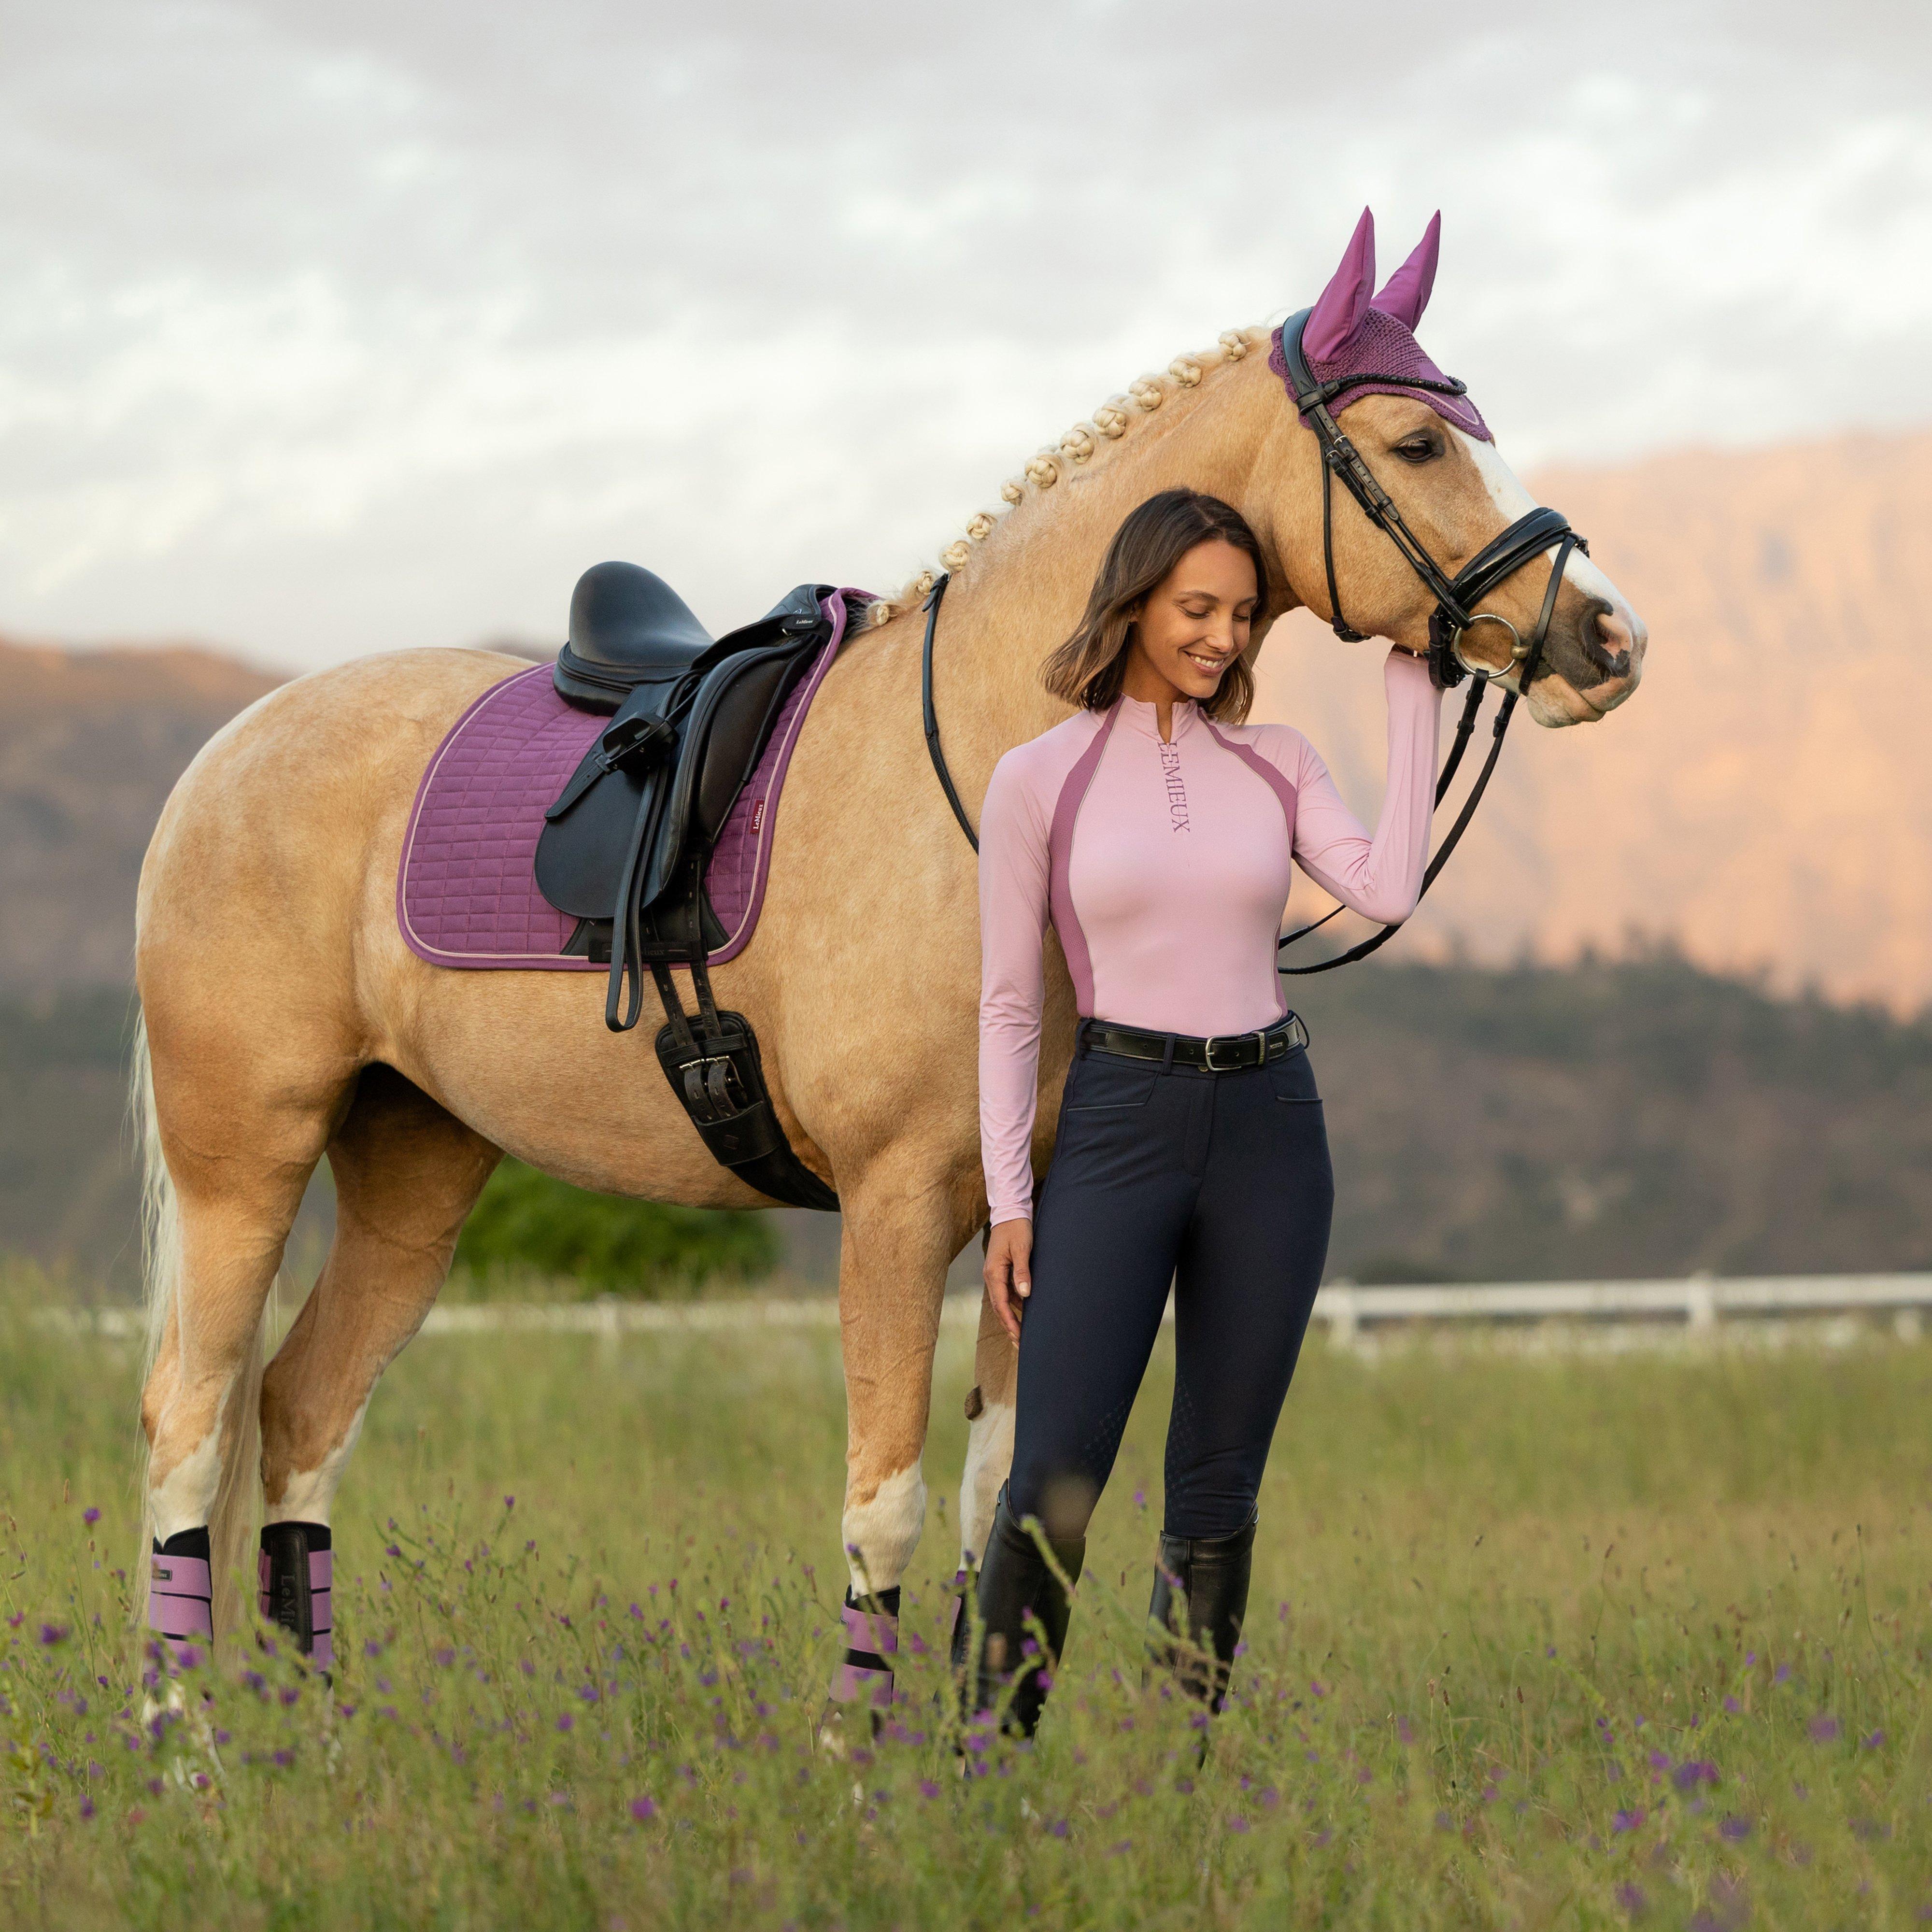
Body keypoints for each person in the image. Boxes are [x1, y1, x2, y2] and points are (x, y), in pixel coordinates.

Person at [969, 485, 1443, 1734]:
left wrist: (1416, 698)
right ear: (1133, 599)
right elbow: (1012, 1010)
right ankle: (981, 1765)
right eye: (1196, 608)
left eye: (1240, 614)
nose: (1222, 637)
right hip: (1120, 1124)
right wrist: (1010, 1202)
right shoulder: (1039, 779)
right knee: (1055, 1475)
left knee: (1219, 1486)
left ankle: (1181, 1781)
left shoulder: (1276, 762)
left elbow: (1387, 890)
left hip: (1271, 1134)